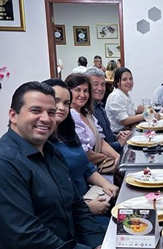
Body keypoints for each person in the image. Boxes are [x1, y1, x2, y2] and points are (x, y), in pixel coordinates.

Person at [0, 81, 104, 249]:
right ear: (13, 115)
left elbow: (76, 205)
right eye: (36, 110)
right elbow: (27, 236)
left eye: (51, 112)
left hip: (65, 240)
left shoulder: (51, 152)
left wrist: (98, 243)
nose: (46, 118)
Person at [44, 79, 118, 229]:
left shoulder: (67, 131)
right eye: (56, 101)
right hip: (75, 215)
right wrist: (86, 206)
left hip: (89, 199)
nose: (61, 108)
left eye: (66, 103)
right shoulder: (42, 143)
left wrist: (105, 184)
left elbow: (85, 167)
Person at [65, 73, 121, 174]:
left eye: (86, 91)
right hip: (85, 174)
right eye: (77, 90)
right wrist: (107, 158)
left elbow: (101, 140)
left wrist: (117, 157)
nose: (82, 95)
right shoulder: (71, 116)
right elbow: (85, 154)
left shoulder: (87, 114)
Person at [85, 67, 131, 154]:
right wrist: (118, 143)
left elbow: (105, 135)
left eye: (102, 84)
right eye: (95, 84)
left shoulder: (99, 106)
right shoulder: (87, 111)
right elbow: (97, 146)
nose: (100, 88)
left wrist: (117, 136)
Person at [106, 67, 153, 133]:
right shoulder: (116, 96)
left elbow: (126, 113)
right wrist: (146, 115)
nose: (129, 82)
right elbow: (124, 121)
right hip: (118, 135)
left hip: (128, 130)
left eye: (130, 79)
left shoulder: (125, 95)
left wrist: (137, 111)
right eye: (124, 79)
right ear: (117, 83)